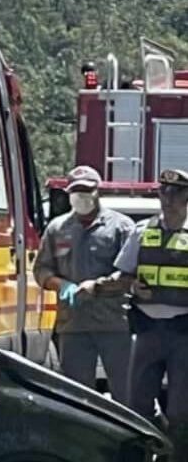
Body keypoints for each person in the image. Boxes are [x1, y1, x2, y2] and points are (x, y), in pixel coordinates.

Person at [32, 165, 134, 403]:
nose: (81, 197)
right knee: (76, 397)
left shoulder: (121, 227)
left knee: (126, 392)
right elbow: (41, 269)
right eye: (76, 191)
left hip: (114, 324)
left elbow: (130, 272)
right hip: (73, 326)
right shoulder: (57, 228)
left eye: (86, 191)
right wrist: (60, 285)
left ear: (97, 191)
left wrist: (98, 285)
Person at [105, 167, 188, 459]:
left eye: (176, 192)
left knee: (181, 410)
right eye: (163, 191)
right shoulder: (143, 231)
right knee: (137, 407)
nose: (168, 197)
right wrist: (130, 286)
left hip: (183, 334)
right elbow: (122, 275)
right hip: (148, 330)